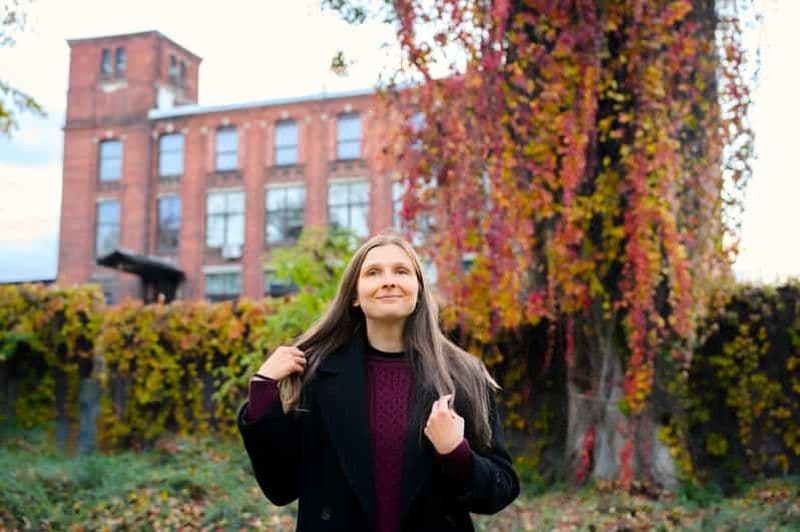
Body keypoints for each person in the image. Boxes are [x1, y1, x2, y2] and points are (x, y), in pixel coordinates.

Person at [237, 233, 519, 531]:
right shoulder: (315, 376)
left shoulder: (463, 375)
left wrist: (455, 452)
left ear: (419, 291)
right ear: (355, 296)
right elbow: (280, 488)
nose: (388, 281)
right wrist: (263, 390)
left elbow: (500, 490)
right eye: (373, 273)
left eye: (401, 271)